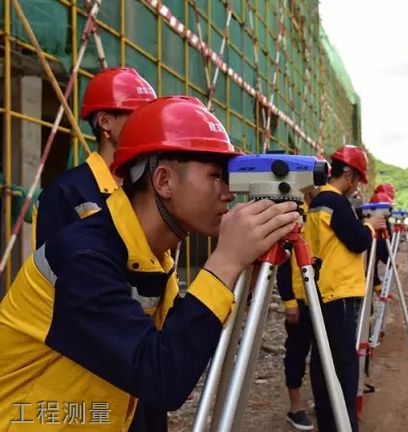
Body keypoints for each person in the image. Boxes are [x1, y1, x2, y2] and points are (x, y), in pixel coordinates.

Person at [0, 96, 299, 432]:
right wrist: (225, 261)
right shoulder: (83, 258)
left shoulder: (153, 257)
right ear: (163, 181)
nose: (229, 193)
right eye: (217, 176)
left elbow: (176, 347)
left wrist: (242, 272)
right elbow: (161, 377)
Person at [304, 145, 386, 432]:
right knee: (344, 367)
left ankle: (328, 421)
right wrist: (371, 227)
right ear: (348, 175)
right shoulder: (336, 202)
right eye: (356, 180)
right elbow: (356, 241)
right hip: (338, 292)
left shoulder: (317, 202)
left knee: (323, 362)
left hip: (322, 291)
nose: (355, 188)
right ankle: (344, 424)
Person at [33, 67, 156, 249]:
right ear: (104, 121)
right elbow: (50, 270)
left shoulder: (146, 187)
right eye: (137, 118)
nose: (146, 128)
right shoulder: (64, 193)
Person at [276, 189, 319, 431]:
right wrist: (289, 302)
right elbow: (283, 260)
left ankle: (320, 399)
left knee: (320, 352)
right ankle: (295, 407)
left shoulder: (318, 209)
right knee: (296, 352)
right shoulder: (293, 208)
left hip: (318, 296)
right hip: (299, 299)